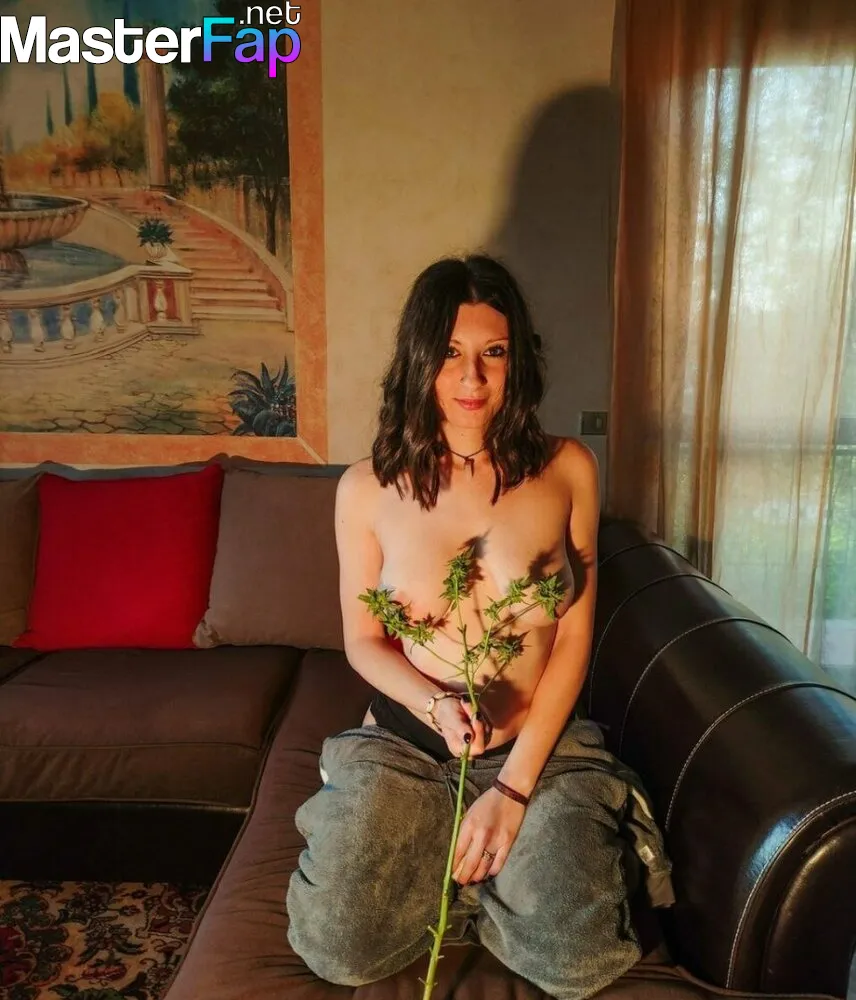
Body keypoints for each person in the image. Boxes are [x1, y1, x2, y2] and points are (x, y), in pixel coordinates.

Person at [286, 254, 673, 1000]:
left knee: (580, 960)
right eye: (450, 354)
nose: (472, 378)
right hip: (408, 742)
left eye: (492, 352)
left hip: (538, 750)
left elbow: (572, 637)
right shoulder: (365, 488)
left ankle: (475, 870)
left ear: (516, 359)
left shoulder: (569, 468)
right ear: (418, 360)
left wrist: (515, 791)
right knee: (336, 948)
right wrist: (434, 703)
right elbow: (363, 640)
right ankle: (465, 870)